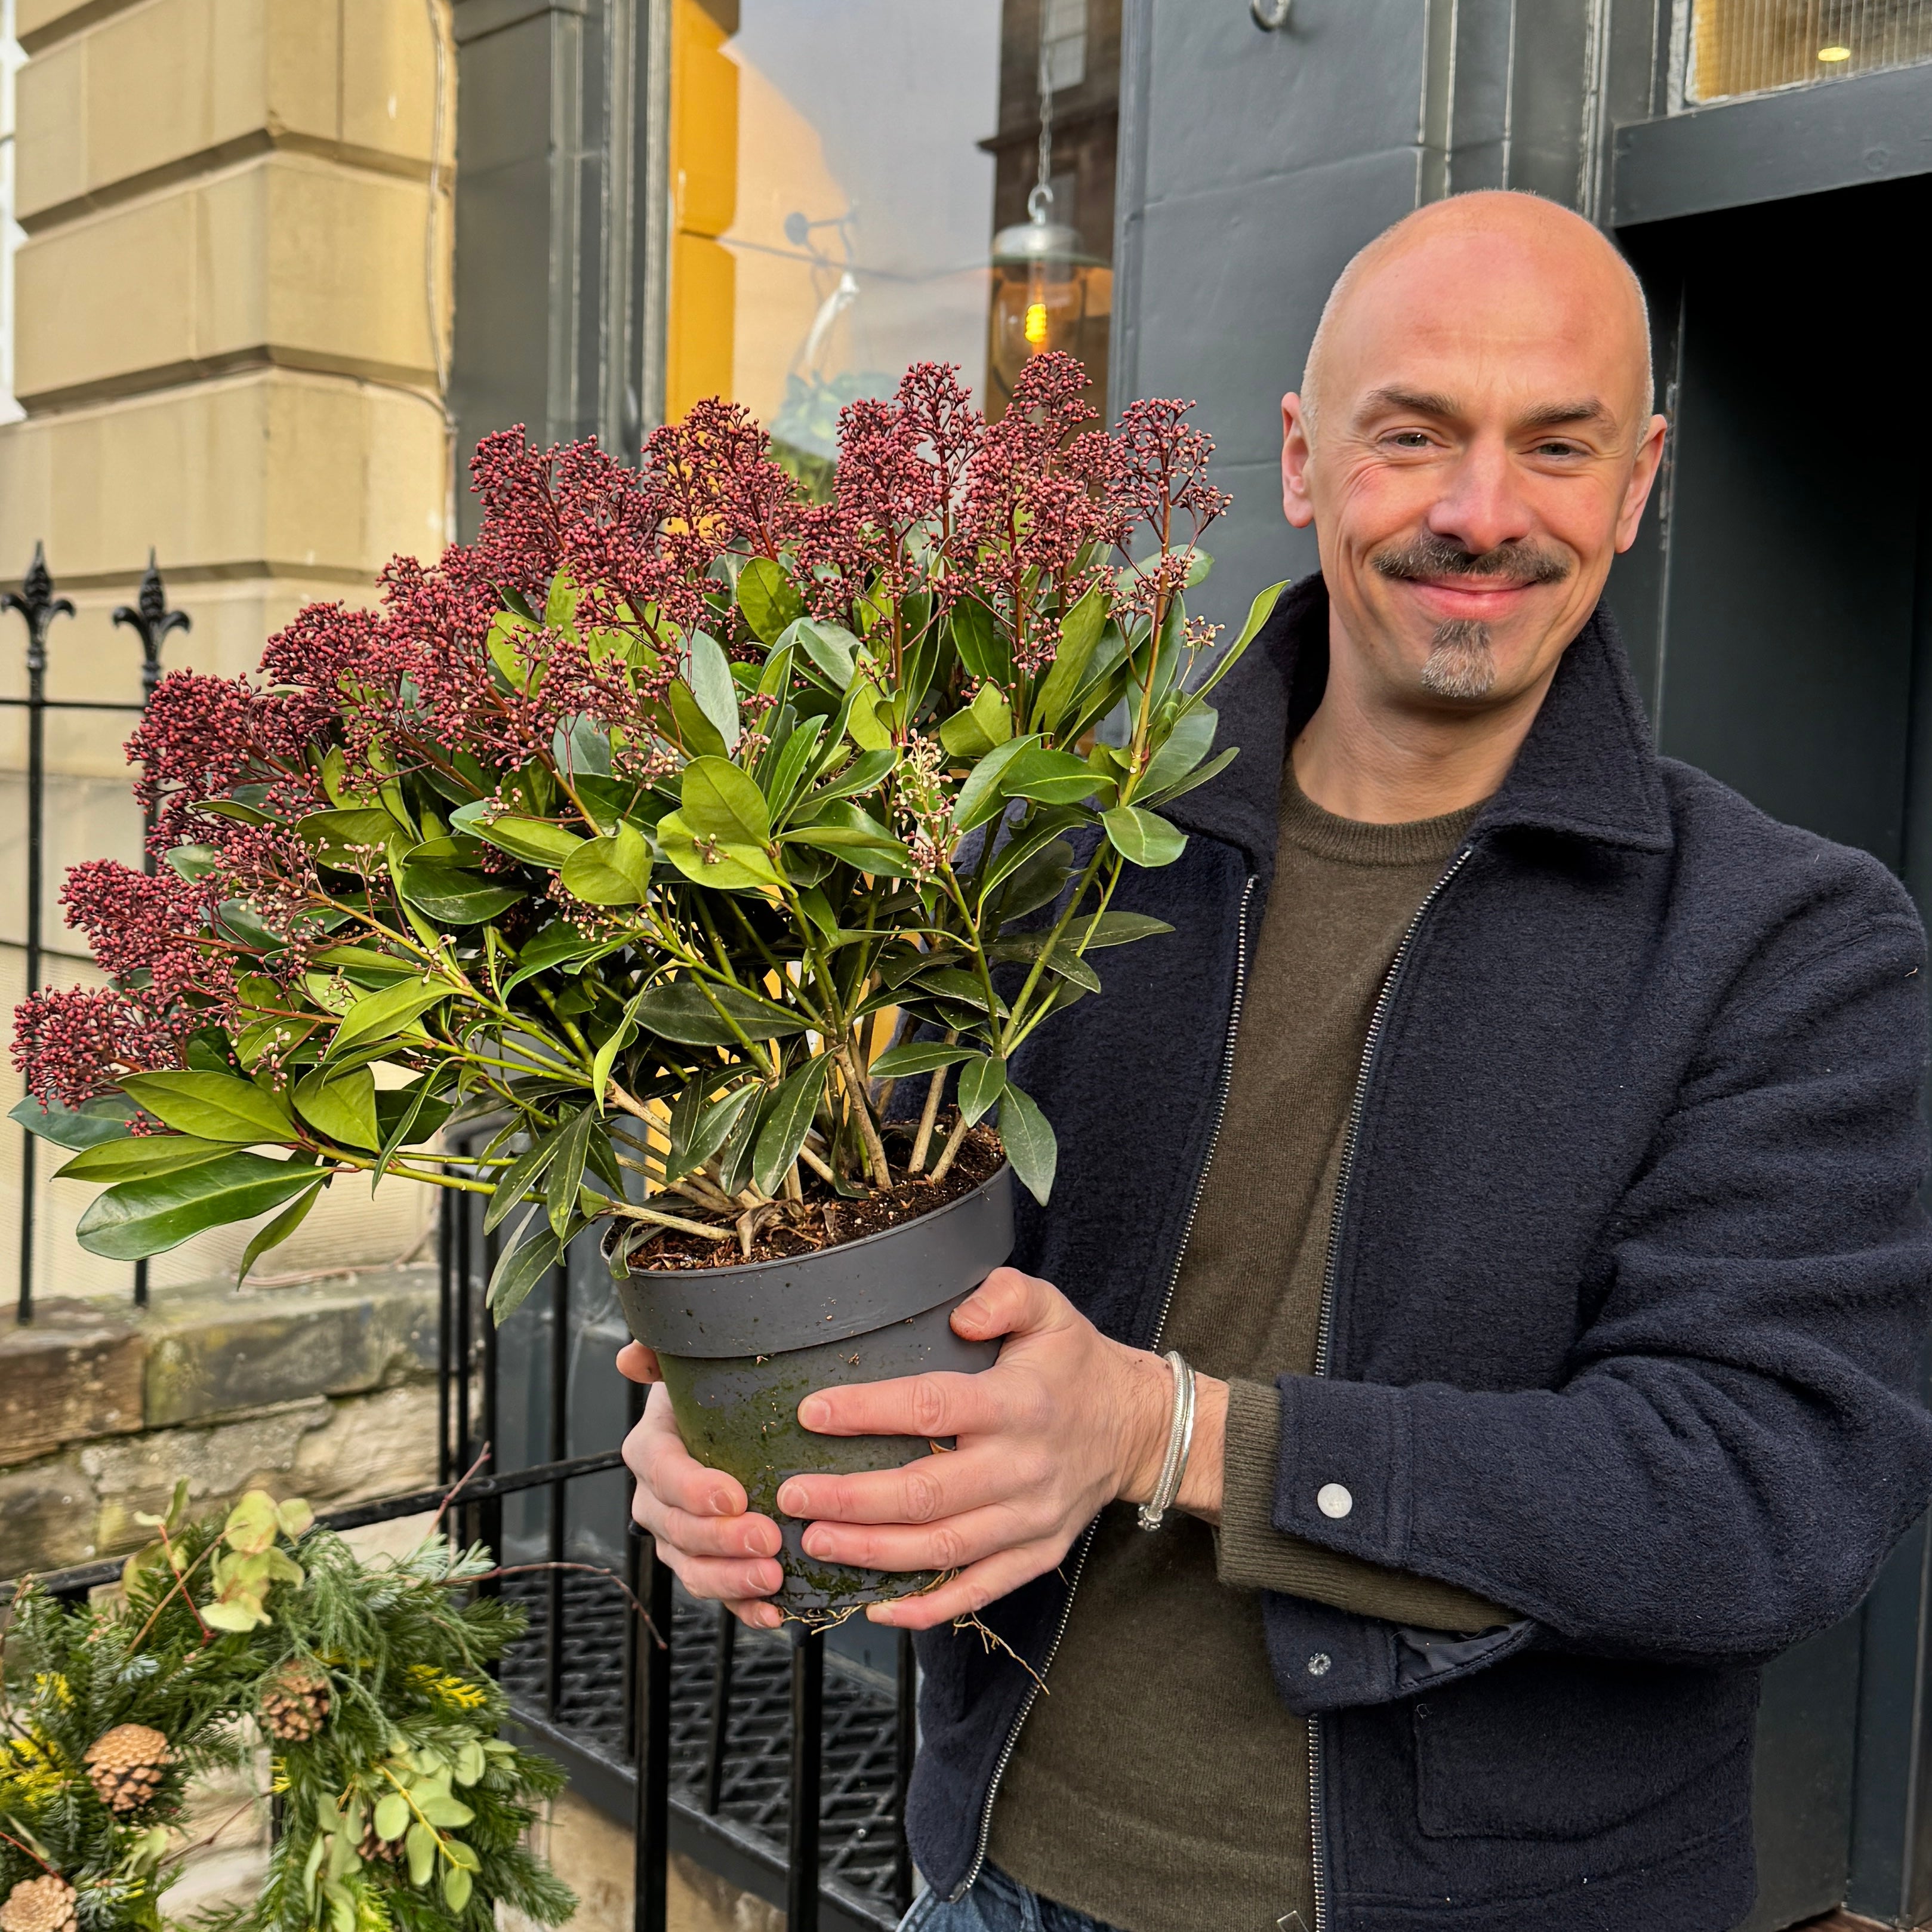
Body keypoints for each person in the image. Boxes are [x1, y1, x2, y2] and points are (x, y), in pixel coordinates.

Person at [620, 190, 1932, 1932]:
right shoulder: (1062, 856)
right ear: (1305, 462)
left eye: (1557, 446)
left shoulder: (1788, 941)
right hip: (1000, 1881)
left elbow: (1765, 1494)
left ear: (1639, 483)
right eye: (1415, 435)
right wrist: (730, 1439)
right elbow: (885, 1261)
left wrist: (1168, 1432)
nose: (1482, 511)